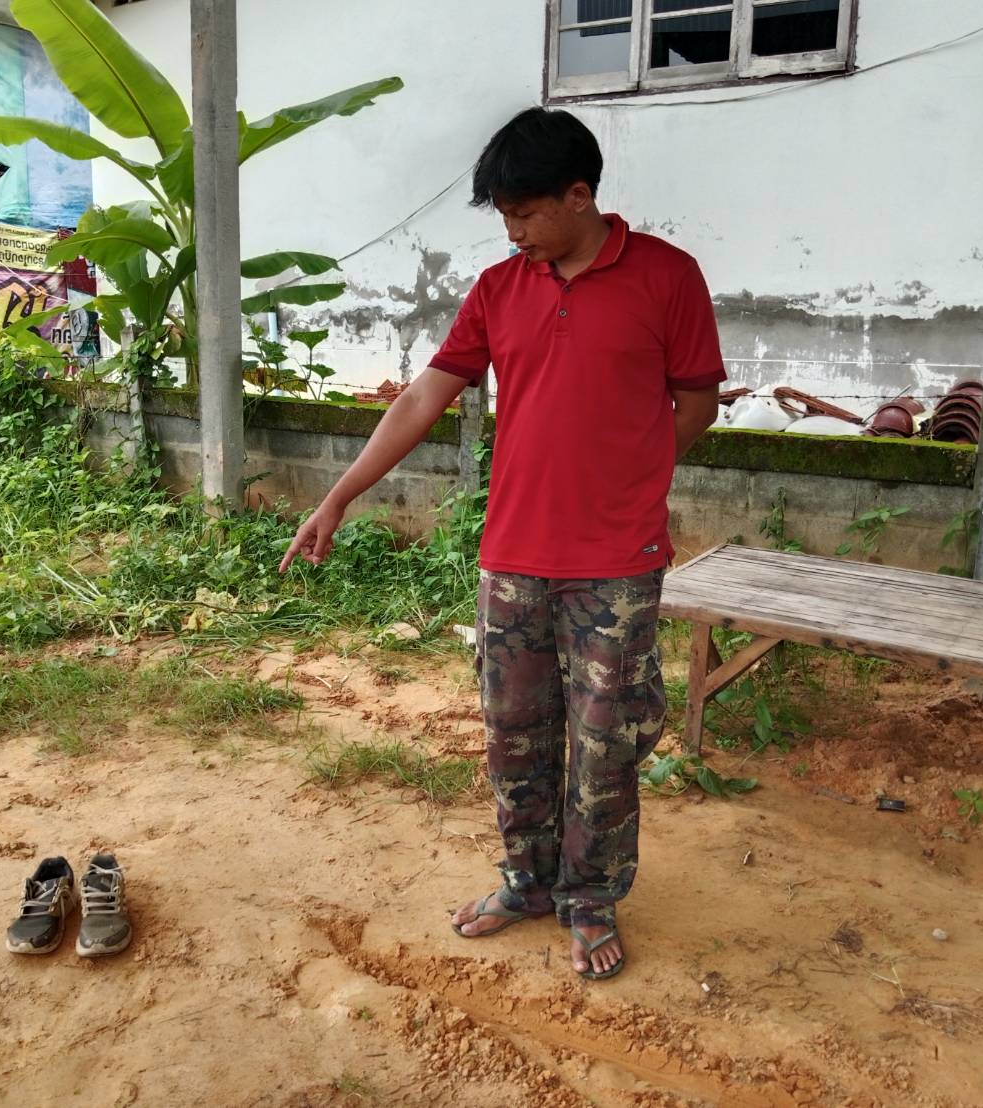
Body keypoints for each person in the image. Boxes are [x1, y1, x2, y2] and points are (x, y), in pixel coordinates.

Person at [280, 107, 724, 980]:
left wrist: (630, 473)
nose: (513, 232)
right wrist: (338, 496)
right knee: (513, 735)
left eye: (524, 214)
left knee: (605, 743)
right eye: (504, 217)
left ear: (578, 195)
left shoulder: (668, 277)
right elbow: (422, 398)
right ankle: (526, 882)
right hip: (513, 557)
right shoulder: (497, 288)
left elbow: (697, 402)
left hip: (615, 565)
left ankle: (588, 898)